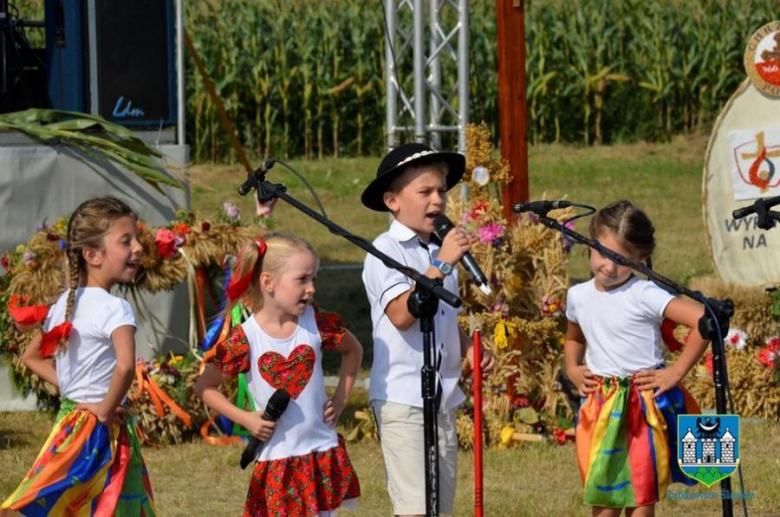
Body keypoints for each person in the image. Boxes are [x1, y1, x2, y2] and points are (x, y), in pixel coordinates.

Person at [361, 142, 495, 516]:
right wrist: (443, 264)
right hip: (403, 398)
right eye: (425, 192)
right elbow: (405, 314)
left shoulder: (436, 251)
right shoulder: (384, 251)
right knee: (416, 509)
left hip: (442, 397)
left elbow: (441, 317)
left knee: (439, 507)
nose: (437, 200)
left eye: (441, 191)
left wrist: (468, 347)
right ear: (392, 201)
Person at [1, 196, 155, 515]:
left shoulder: (64, 304)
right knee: (108, 501)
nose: (138, 247)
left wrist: (74, 391)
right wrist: (103, 409)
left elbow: (32, 357)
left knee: (69, 500)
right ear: (92, 255)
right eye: (126, 241)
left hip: (69, 423)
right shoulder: (116, 308)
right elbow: (125, 367)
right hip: (102, 427)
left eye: (136, 239)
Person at [195, 233, 362, 516]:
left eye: (314, 279)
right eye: (302, 279)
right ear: (268, 282)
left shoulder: (315, 322)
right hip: (278, 459)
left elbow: (353, 349)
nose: (311, 289)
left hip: (320, 451)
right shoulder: (246, 339)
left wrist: (342, 398)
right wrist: (245, 418)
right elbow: (205, 386)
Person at [564, 200, 708, 516]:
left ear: (641, 258)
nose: (609, 266)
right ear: (589, 241)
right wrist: (572, 368)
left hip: (643, 406)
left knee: (641, 496)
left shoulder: (645, 294)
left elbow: (703, 320)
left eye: (622, 259)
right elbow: (574, 337)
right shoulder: (578, 296)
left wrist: (675, 372)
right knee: (603, 496)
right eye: (603, 253)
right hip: (600, 407)